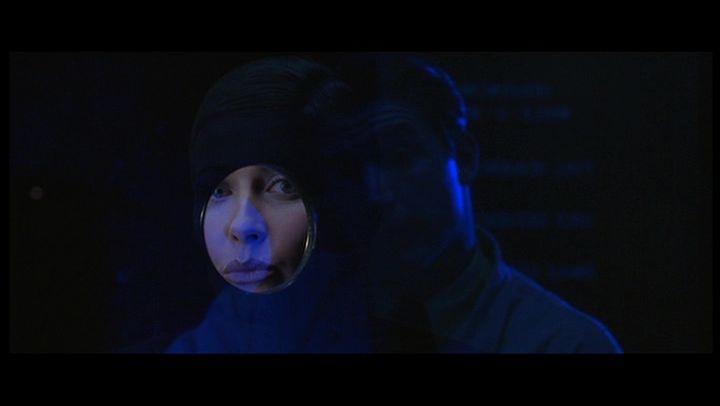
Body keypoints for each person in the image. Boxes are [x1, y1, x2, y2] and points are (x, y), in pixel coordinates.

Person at [165, 54, 622, 353]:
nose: (378, 191)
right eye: (352, 166)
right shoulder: (265, 316)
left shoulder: (563, 344)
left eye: (401, 157)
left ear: (463, 158)